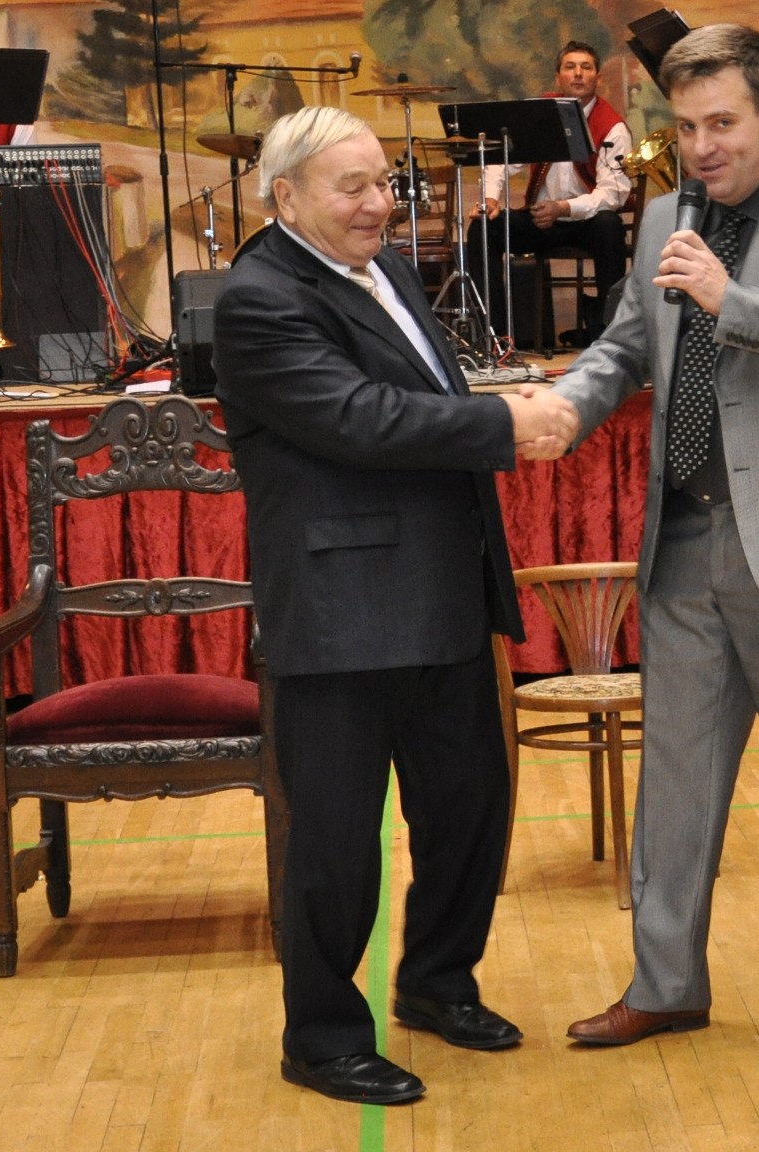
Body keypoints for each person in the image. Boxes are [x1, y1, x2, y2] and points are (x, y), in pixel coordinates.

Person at [533, 24, 759, 1066]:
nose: (701, 146)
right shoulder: (661, 220)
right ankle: (665, 985)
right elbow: (623, 348)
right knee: (677, 780)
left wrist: (731, 301)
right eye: (688, 126)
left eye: (723, 123)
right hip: (683, 537)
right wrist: (565, 408)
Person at [212, 105, 577, 1107]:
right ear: (286, 197)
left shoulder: (388, 270)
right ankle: (323, 1037)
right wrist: (504, 422)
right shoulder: (258, 298)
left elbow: (420, 397)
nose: (381, 203)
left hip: (442, 592)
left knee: (469, 811)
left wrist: (505, 406)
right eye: (355, 187)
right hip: (343, 613)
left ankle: (437, 983)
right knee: (335, 844)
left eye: (386, 183)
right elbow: (357, 419)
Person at [468, 41, 633, 346]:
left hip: (586, 223)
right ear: (558, 77)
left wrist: (563, 208)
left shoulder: (612, 127)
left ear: (597, 77)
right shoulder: (540, 113)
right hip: (540, 221)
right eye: (570, 67)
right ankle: (494, 334)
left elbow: (612, 195)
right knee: (483, 227)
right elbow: (500, 159)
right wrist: (490, 199)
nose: (578, 74)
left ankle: (610, 332)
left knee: (610, 225)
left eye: (586, 67)